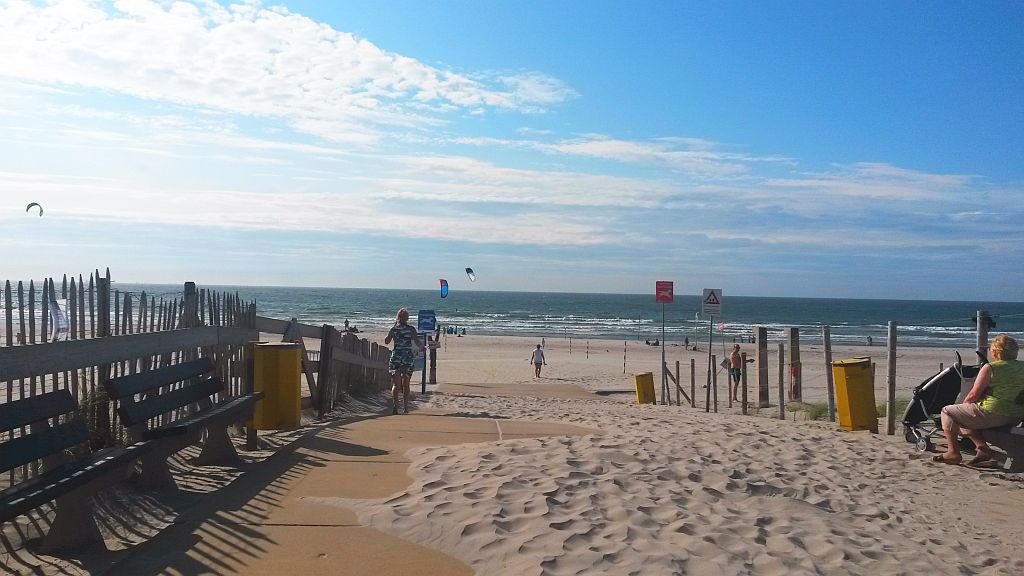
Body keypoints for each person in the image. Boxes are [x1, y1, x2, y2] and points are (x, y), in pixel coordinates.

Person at [933, 334, 1024, 465]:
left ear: (994, 352)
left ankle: (953, 452)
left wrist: (964, 406)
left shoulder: (991, 367)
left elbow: (974, 394)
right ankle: (982, 448)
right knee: (966, 416)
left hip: (993, 412)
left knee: (948, 412)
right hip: (1016, 414)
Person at [385, 308, 425, 415]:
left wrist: (392, 332)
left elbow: (386, 341)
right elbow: (417, 341)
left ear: (398, 317)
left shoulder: (394, 329)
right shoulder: (411, 329)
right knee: (406, 384)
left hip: (396, 356)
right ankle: (406, 407)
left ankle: (395, 406)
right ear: (407, 318)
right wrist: (422, 347)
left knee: (395, 384)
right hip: (407, 357)